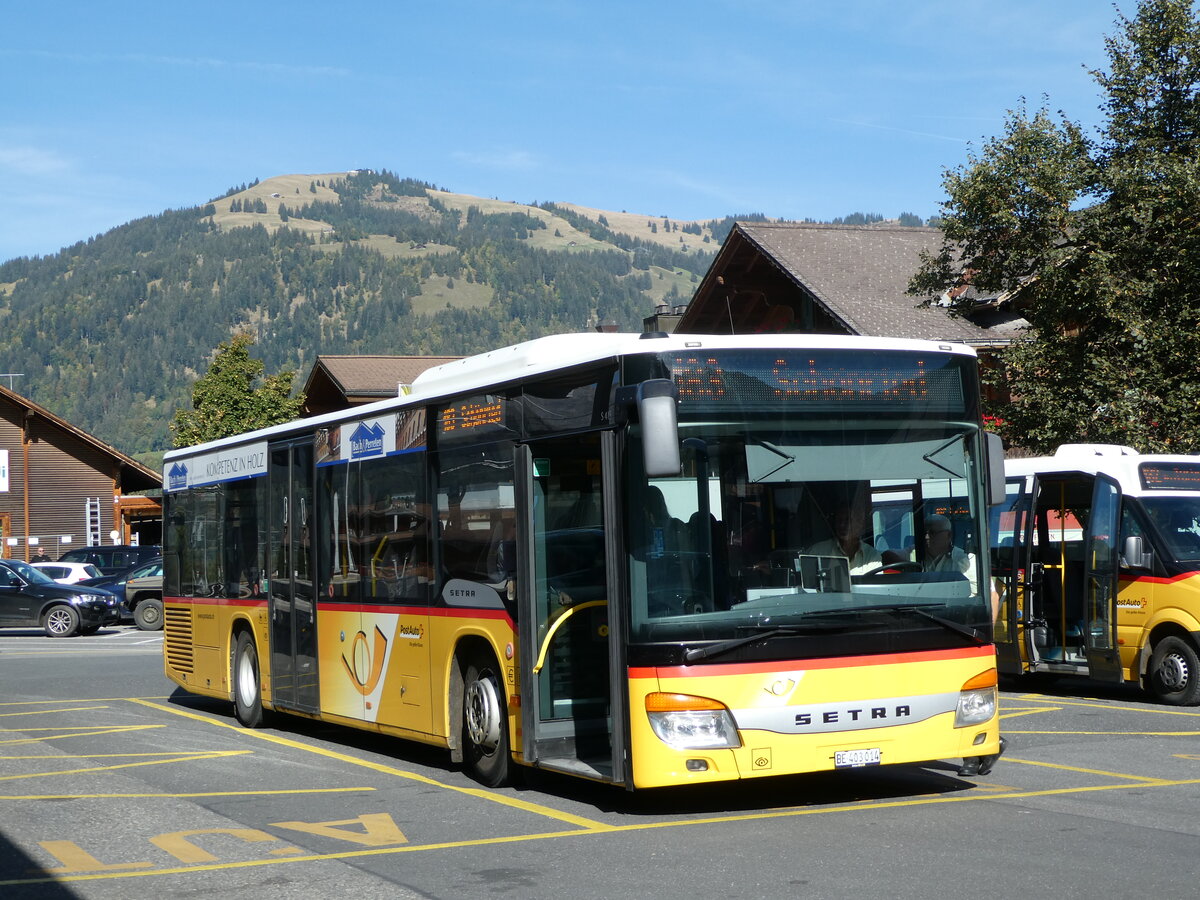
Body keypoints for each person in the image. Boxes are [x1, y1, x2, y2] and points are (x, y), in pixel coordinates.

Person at [805, 495, 882, 576]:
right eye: (839, 520)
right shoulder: (816, 552)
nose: (842, 525)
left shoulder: (872, 556)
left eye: (847, 520)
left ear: (859, 523)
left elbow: (875, 587)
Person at [922, 514, 978, 594]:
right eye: (924, 533)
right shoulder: (913, 553)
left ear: (949, 535)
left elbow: (990, 595)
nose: (926, 537)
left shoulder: (966, 559)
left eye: (932, 533)